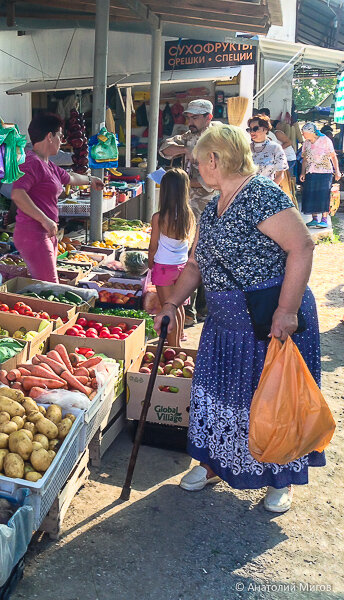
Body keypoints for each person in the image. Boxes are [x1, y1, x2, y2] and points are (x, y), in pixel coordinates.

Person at [154, 124, 321, 513]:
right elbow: (195, 265)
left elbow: (303, 246)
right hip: (225, 325)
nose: (195, 170)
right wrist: (171, 303)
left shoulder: (261, 194)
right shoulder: (213, 205)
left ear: (214, 159)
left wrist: (287, 309)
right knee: (222, 398)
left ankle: (280, 477)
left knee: (273, 399)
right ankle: (213, 463)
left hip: (267, 321)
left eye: (198, 162)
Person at [11, 112, 104, 282]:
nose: (62, 141)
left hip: (46, 233)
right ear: (50, 137)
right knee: (50, 285)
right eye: (60, 136)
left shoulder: (48, 165)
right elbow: (17, 194)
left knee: (47, 284)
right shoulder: (31, 162)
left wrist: (91, 180)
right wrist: (45, 220)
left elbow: (71, 177)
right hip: (33, 233)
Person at [159, 98, 216, 325]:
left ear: (208, 117)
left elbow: (208, 183)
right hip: (186, 209)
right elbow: (165, 149)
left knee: (204, 257)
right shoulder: (188, 136)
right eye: (188, 117)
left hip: (208, 208)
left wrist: (178, 181)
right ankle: (187, 309)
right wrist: (186, 149)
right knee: (186, 259)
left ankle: (202, 308)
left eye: (195, 117)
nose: (190, 121)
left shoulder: (217, 139)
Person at [147, 169, 194, 347]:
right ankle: (178, 342)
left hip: (164, 268)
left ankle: (173, 347)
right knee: (178, 307)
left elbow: (153, 246)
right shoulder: (188, 215)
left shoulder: (159, 217)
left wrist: (150, 263)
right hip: (182, 267)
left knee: (167, 309)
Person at [300, 122, 340, 228]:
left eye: (304, 133)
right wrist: (303, 172)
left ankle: (324, 219)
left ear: (311, 132)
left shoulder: (325, 140)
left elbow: (333, 157)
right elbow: (305, 159)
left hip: (325, 172)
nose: (303, 135)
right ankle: (314, 219)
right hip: (311, 172)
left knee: (323, 196)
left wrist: (337, 171)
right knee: (312, 195)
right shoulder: (306, 143)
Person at [247, 115, 288, 184]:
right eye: (250, 129)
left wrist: (270, 191)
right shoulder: (246, 148)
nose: (252, 132)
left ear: (265, 129)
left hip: (267, 189)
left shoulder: (275, 148)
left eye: (255, 128)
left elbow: (280, 175)